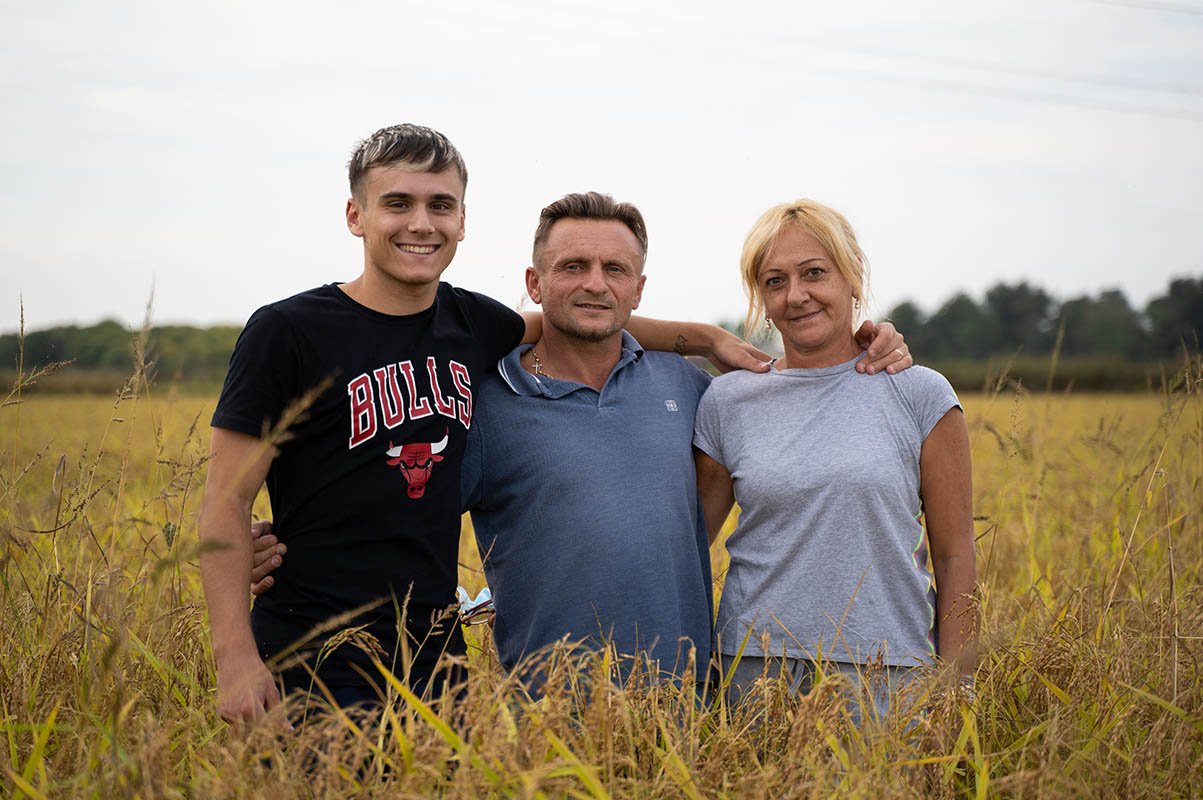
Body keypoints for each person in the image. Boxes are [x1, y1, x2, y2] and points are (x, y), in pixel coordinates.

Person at [200, 124, 803, 724]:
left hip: (435, 659)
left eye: (441, 205)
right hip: (312, 647)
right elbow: (225, 500)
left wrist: (706, 339)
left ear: (462, 221)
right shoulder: (288, 332)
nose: (421, 223)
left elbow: (583, 315)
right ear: (356, 215)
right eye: (397, 204)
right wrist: (235, 656)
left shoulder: (470, 324)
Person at [248, 191, 913, 697]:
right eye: (572, 266)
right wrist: (289, 543)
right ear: (534, 286)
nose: (594, 282)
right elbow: (390, 507)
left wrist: (871, 339)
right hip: (545, 719)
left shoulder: (692, 389)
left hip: (691, 707)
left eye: (613, 269)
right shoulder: (479, 405)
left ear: (637, 289)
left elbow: (806, 444)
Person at [692, 199, 978, 723]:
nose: (795, 296)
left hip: (888, 671)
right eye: (774, 281)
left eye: (814, 273)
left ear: (853, 277)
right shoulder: (726, 401)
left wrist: (957, 691)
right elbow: (685, 547)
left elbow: (956, 555)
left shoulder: (919, 394)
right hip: (753, 672)